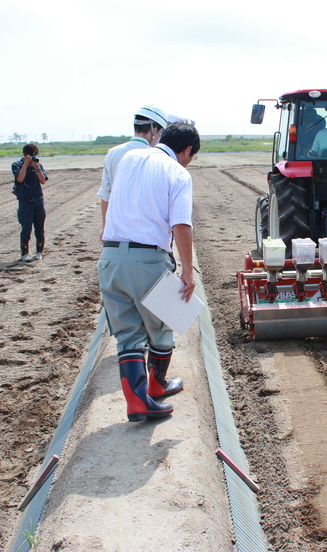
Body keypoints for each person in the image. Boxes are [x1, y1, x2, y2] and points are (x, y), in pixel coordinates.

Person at [98, 122, 200, 422]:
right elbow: (181, 224)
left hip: (110, 258)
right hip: (147, 261)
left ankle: (137, 402)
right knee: (164, 323)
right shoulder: (179, 173)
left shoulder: (129, 159)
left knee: (128, 335)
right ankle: (156, 385)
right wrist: (187, 271)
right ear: (187, 151)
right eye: (191, 156)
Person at [97, 106, 169, 239]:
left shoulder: (113, 153)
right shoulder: (157, 157)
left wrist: (106, 228)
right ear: (154, 129)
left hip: (116, 233)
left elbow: (106, 195)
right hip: (146, 234)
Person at [11, 143, 48, 262]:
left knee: (40, 228)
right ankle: (24, 254)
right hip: (25, 200)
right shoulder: (17, 165)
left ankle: (39, 252)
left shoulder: (38, 165)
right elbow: (20, 178)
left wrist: (36, 167)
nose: (32, 158)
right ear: (24, 155)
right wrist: (25, 165)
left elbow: (43, 181)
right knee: (26, 228)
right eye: (30, 156)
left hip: (38, 199)